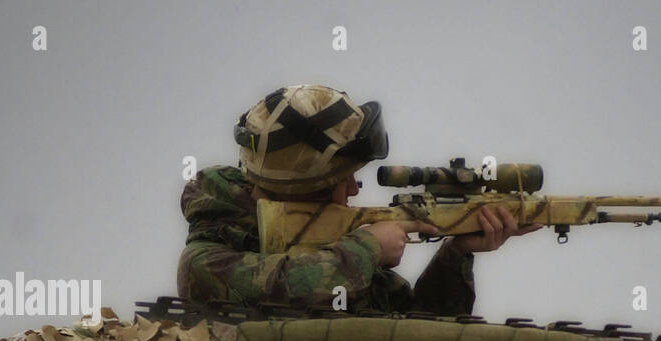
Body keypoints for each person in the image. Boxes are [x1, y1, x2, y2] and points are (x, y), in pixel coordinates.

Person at [177, 85, 537, 313]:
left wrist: (456, 253)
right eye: (344, 178)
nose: (354, 189)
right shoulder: (206, 263)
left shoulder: (335, 251)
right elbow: (282, 288)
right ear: (309, 189)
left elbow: (416, 332)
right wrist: (366, 250)